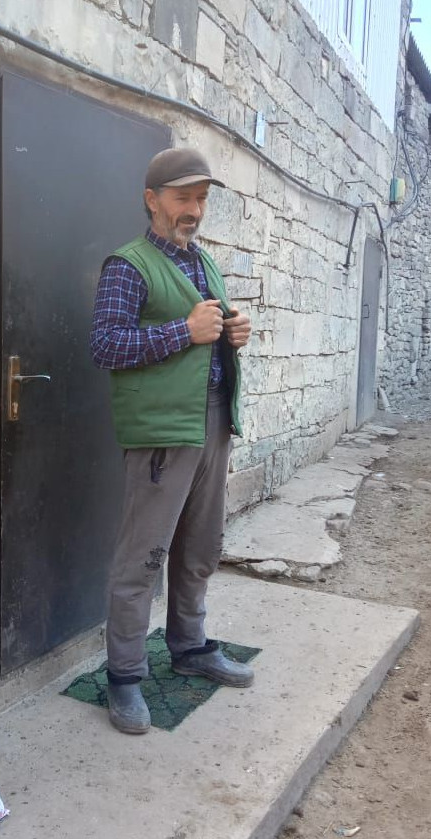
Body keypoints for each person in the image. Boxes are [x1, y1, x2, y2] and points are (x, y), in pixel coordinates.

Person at [90, 147, 254, 734]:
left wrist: (232, 332)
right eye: (183, 197)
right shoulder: (127, 265)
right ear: (152, 199)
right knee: (143, 558)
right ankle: (125, 676)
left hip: (211, 421)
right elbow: (106, 346)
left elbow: (207, 332)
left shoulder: (202, 262)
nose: (194, 209)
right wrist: (184, 332)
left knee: (201, 547)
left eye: (201, 198)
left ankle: (189, 647)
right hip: (162, 430)